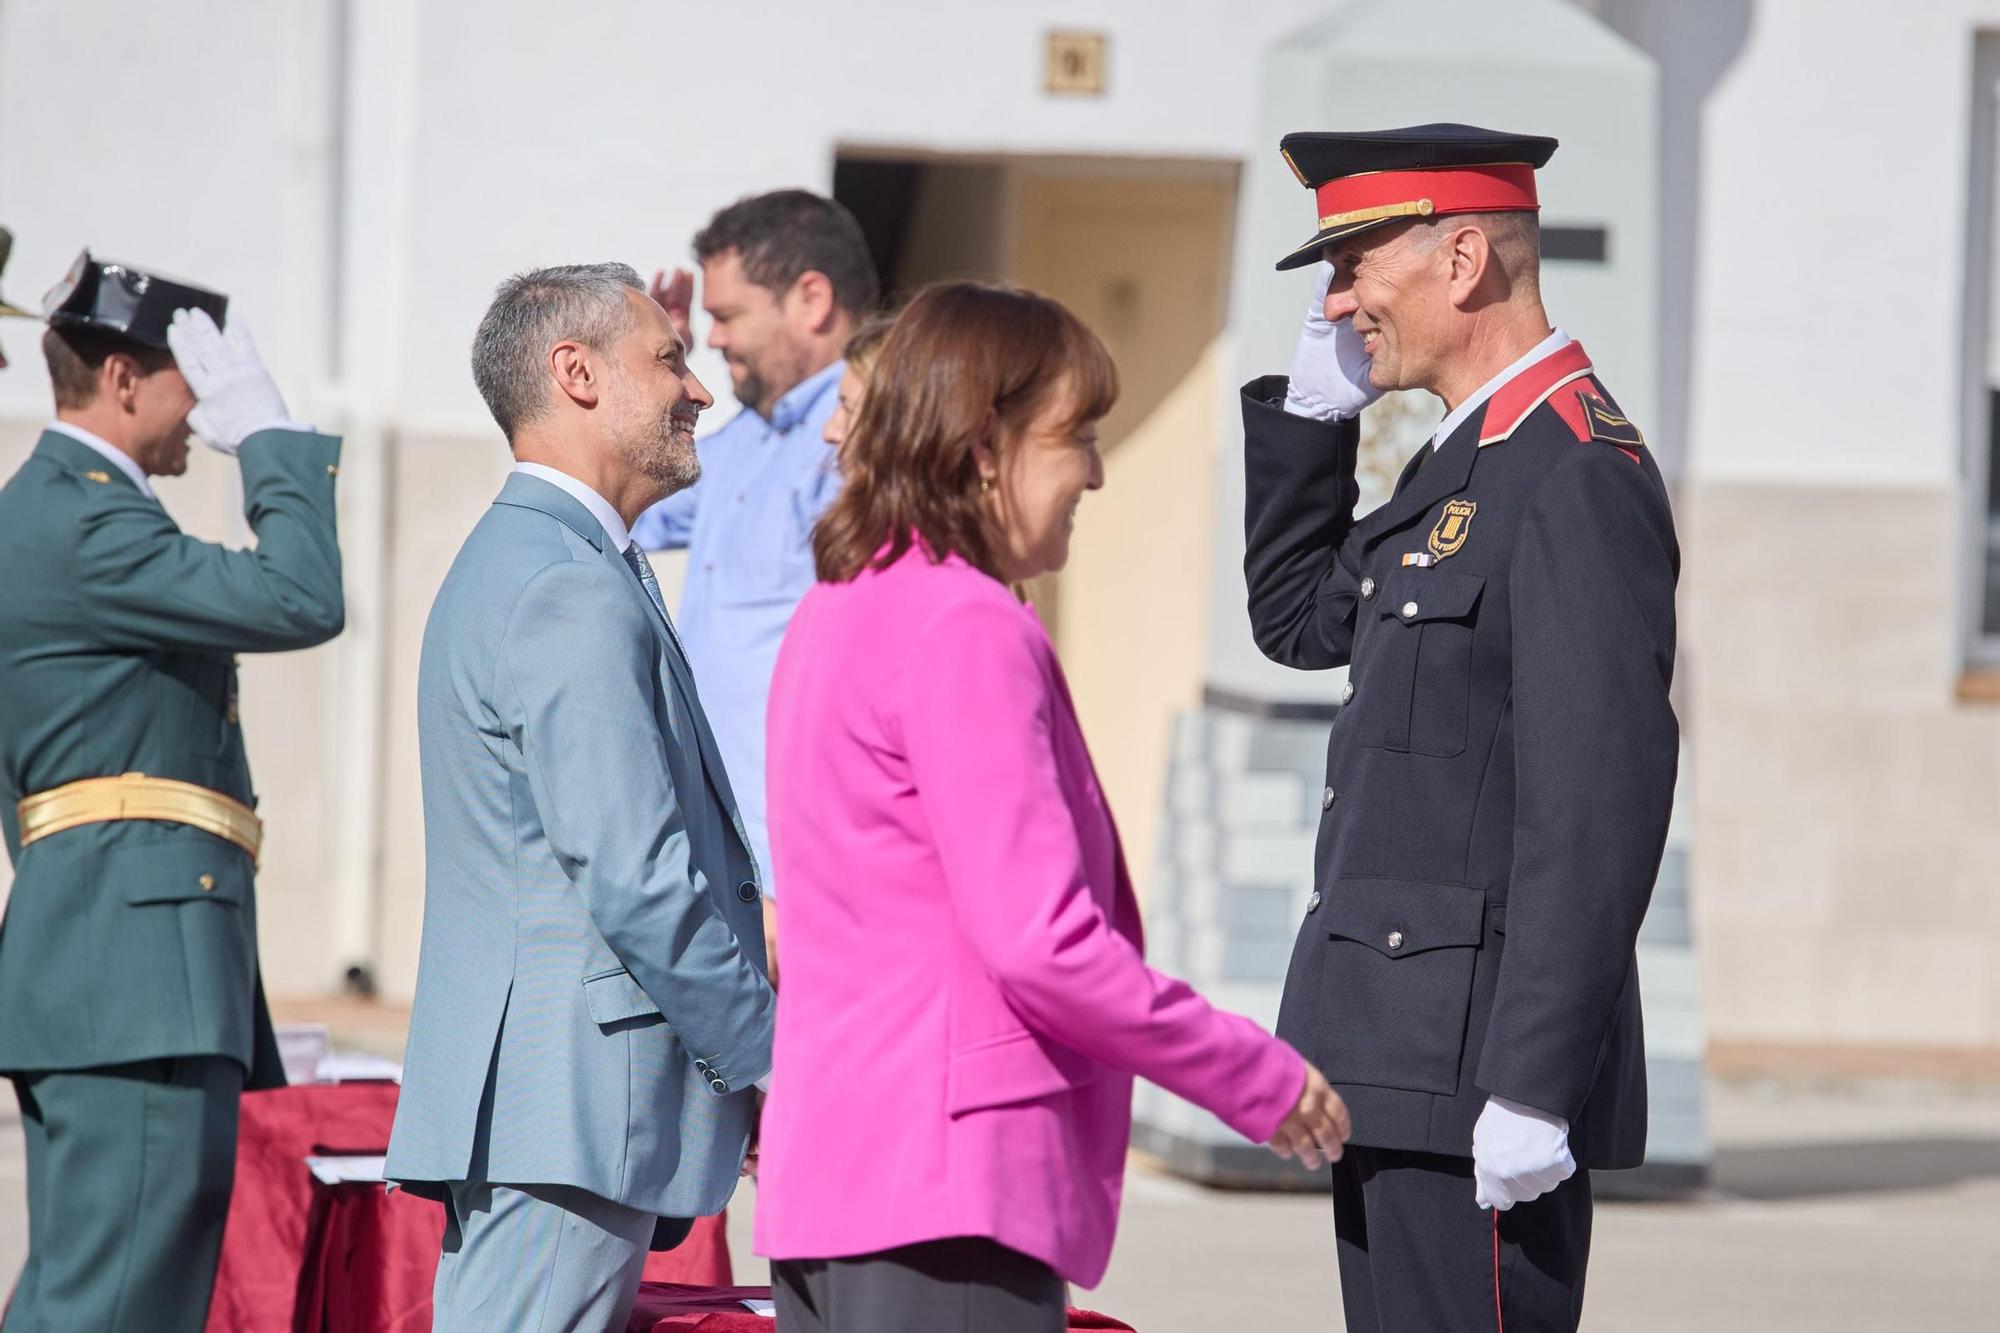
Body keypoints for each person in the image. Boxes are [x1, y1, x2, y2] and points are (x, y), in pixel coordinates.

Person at [757, 281, 1351, 1332]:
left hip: (835, 1178)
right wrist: (1252, 1072)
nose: (1095, 472)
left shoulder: (839, 603)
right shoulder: (963, 623)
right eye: (1075, 436)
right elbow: (1043, 944)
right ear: (986, 446)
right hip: (946, 1188)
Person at [1242, 124, 1680, 1331]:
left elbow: (1593, 806)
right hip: (1393, 1056)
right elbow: (1295, 621)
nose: (1338, 301)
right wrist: (1310, 419)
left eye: (1355, 266)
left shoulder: (1572, 471)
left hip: (1477, 1073)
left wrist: (1533, 1083)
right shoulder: (1462, 463)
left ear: (1461, 259)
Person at [383, 263, 776, 1332]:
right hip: (571, 1103)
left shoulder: (553, 557)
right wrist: (766, 1057)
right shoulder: (564, 578)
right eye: (669, 359)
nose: (698, 389)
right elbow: (636, 874)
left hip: (558, 1105)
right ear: (577, 373)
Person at [0, 251, 345, 1331]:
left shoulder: (70, 512)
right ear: (122, 378)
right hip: (133, 969)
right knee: (115, 1301)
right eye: (191, 380)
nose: (204, 407)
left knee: (109, 1290)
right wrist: (273, 441)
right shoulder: (86, 521)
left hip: (113, 959)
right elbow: (301, 595)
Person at [631, 191, 879, 930]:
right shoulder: (744, 441)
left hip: (802, 888)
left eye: (729, 315)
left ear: (811, 300)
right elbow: (623, 506)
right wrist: (652, 387)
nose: (712, 338)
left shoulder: (863, 447)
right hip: (721, 866)